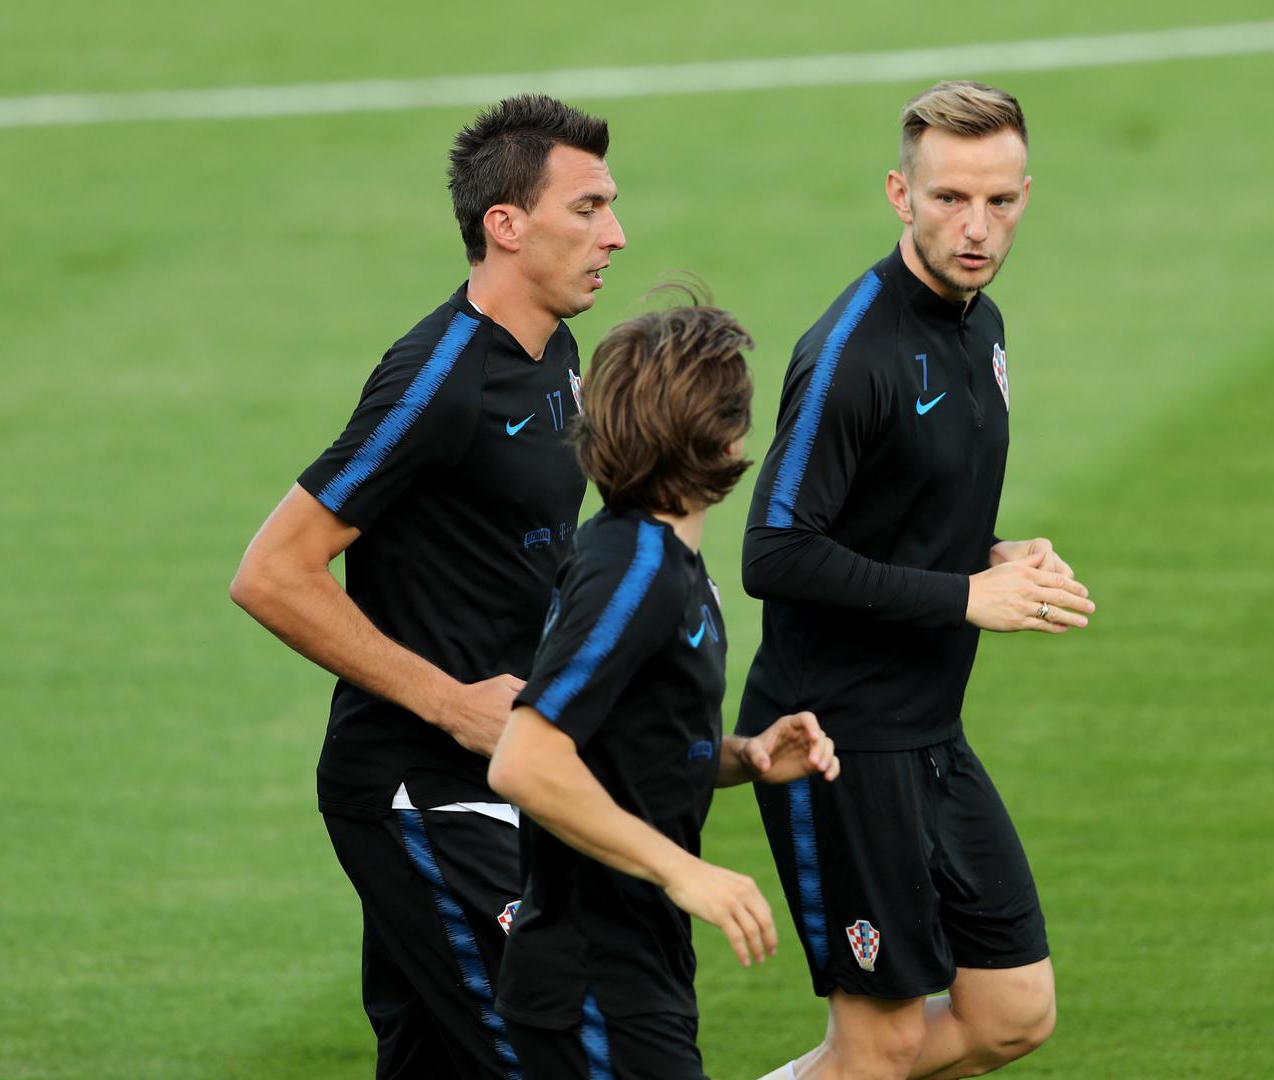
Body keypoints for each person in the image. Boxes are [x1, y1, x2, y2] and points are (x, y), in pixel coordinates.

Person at [228, 94, 624, 1079]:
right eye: (587, 209)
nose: (614, 234)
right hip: (419, 790)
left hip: (503, 775)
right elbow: (272, 573)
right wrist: (452, 705)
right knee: (567, 1057)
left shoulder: (556, 353)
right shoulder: (437, 379)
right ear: (506, 225)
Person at [739, 81, 1096, 1080]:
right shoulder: (852, 355)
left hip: (930, 732)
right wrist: (965, 598)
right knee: (881, 1045)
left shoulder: (981, 326)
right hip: (834, 742)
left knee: (1012, 1011)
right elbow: (773, 551)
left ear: (1025, 196)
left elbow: (898, 514)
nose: (976, 227)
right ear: (901, 194)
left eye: (999, 200)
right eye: (949, 199)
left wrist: (994, 554)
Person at [487, 300, 842, 1079]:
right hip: (592, 981)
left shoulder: (658, 561)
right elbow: (524, 760)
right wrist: (685, 871)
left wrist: (743, 756)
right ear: (722, 436)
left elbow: (625, 740)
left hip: (636, 968)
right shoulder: (635, 570)